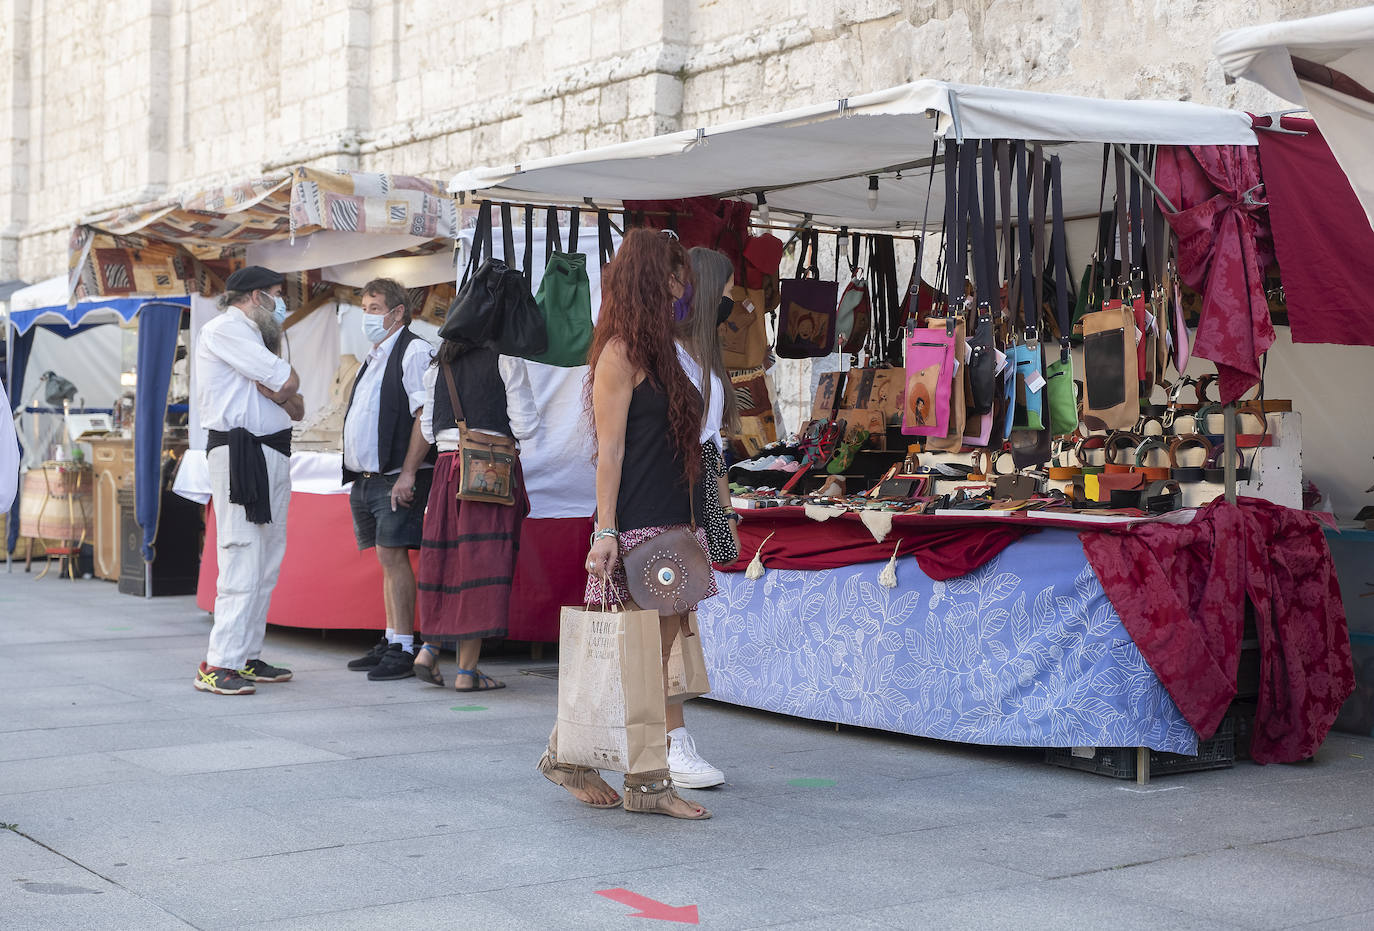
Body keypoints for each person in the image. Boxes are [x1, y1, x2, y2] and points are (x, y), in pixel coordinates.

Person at [538, 228, 714, 821]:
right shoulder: (619, 353)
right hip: (640, 526)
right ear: (649, 279)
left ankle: (570, 757)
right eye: (672, 273)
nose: (681, 285)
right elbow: (608, 452)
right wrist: (606, 532)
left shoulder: (663, 349)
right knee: (641, 660)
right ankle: (646, 781)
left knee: (646, 659)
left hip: (672, 523)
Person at [194, 265, 304, 695]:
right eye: (277, 293)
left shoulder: (255, 337)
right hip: (241, 450)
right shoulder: (226, 328)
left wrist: (282, 391)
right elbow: (288, 381)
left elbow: (296, 403)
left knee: (266, 559)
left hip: (270, 448)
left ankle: (246, 655)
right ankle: (219, 662)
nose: (281, 303)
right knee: (242, 554)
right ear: (256, 297)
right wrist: (282, 389)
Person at [412, 335, 539, 690]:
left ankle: (429, 649)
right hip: (488, 470)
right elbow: (526, 427)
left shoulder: (438, 366)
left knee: (444, 563)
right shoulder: (505, 359)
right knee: (480, 566)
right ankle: (466, 673)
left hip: (445, 473)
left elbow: (428, 431)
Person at [664, 246, 743, 789]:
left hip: (697, 492)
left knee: (677, 618)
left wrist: (724, 512)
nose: (733, 303)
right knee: (667, 620)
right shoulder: (670, 355)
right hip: (671, 493)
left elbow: (712, 445)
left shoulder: (704, 358)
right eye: (729, 292)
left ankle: (669, 737)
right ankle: (671, 739)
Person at [341, 278, 437, 681]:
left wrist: (409, 472)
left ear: (398, 312)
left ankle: (404, 646)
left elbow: (424, 416)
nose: (367, 316)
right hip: (369, 477)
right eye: (365, 308)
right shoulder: (375, 355)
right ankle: (392, 637)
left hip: (396, 475)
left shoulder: (413, 351)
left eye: (375, 308)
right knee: (386, 557)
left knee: (395, 558)